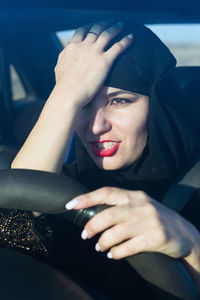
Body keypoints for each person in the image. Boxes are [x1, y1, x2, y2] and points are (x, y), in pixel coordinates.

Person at [10, 20, 200, 298]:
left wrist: (191, 244)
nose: (96, 126)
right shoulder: (60, 186)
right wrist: (66, 92)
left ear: (159, 105)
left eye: (119, 100)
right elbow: (13, 226)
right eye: (84, 103)